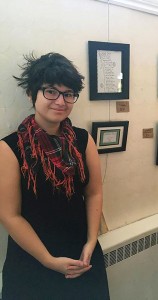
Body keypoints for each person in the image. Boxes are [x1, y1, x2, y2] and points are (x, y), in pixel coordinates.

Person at [0, 52, 110, 299]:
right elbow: (9, 215)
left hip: (82, 251)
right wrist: (48, 260)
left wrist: (91, 242)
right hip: (33, 259)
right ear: (32, 94)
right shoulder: (10, 148)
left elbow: (94, 192)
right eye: (51, 91)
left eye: (68, 93)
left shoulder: (83, 139)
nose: (61, 101)